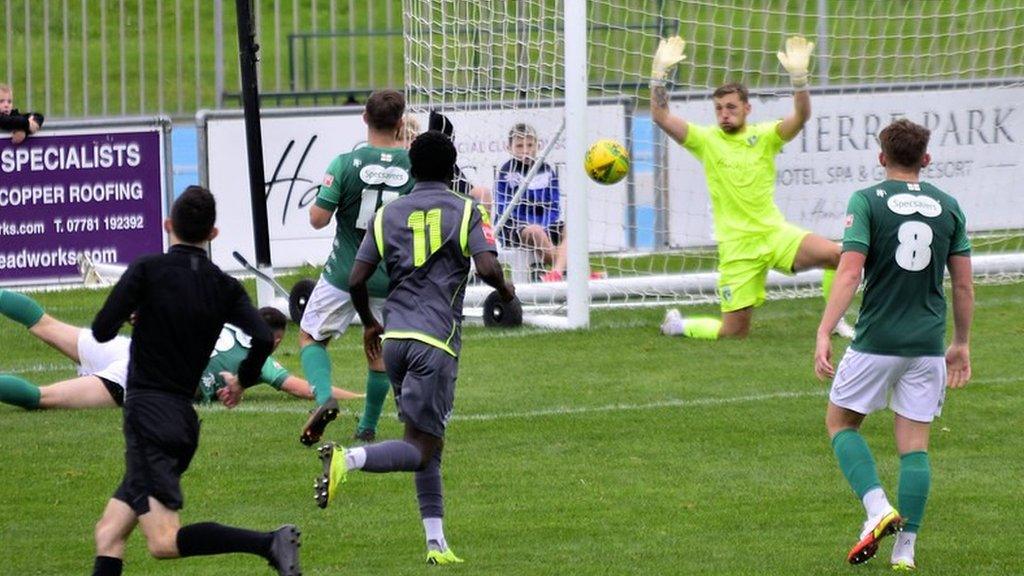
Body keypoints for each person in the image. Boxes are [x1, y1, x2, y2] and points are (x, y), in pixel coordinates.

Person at [312, 130, 515, 566]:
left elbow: (355, 279)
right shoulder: (466, 211)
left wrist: (369, 324)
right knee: (420, 448)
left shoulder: (387, 214)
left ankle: (436, 543)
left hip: (397, 340)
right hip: (433, 342)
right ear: (451, 169)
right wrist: (507, 289)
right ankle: (349, 459)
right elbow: (486, 266)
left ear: (412, 169)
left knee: (427, 443)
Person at [87, 186, 301, 576]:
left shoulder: (147, 270)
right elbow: (262, 336)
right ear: (213, 234)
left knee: (164, 541)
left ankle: (268, 542)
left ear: (168, 225)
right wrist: (242, 380)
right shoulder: (224, 286)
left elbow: (101, 331)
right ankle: (268, 542)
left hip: (148, 418)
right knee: (109, 533)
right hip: (180, 421)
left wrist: (133, 309)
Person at [813, 119, 973, 569]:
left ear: (881, 158)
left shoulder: (866, 201)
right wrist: (960, 343)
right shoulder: (949, 206)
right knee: (915, 447)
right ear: (926, 159)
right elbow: (963, 287)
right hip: (927, 346)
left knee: (841, 423)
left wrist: (825, 329)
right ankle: (906, 552)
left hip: (877, 341)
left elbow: (848, 273)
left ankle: (877, 508)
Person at [650, 35, 855, 339]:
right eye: (718, 108)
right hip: (737, 248)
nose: (724, 114)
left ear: (747, 108)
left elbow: (801, 116)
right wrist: (657, 76)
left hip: (773, 234)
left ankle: (834, 320)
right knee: (733, 334)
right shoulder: (706, 140)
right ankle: (678, 325)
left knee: (840, 256)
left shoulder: (765, 135)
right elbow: (661, 116)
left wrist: (799, 80)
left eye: (731, 107)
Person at [0, 293, 362, 411]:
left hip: (127, 346)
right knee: (42, 398)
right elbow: (305, 389)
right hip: (139, 375)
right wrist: (355, 395)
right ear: (276, 340)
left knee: (44, 322)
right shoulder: (261, 359)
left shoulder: (221, 316)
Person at [299, 88, 414, 446]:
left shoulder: (344, 163)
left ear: (364, 118)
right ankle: (367, 427)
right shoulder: (414, 165)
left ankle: (323, 399)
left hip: (345, 274)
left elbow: (318, 219)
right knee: (377, 348)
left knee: (310, 337)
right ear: (399, 124)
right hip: (389, 276)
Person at [493, 122, 566, 282]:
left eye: (530, 145)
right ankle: (573, 269)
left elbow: (554, 206)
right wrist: (536, 226)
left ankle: (557, 272)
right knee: (535, 231)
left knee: (571, 228)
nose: (526, 150)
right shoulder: (507, 172)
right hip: (514, 228)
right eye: (519, 146)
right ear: (509, 148)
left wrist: (546, 226)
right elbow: (505, 208)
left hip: (545, 225)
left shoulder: (546, 170)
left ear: (538, 146)